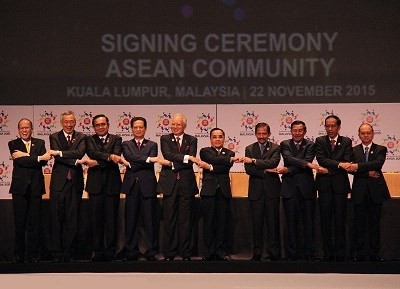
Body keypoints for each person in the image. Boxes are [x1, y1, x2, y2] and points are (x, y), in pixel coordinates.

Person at [157, 113, 200, 261]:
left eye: (178, 124)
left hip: (186, 183)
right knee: (169, 219)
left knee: (185, 220)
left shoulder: (192, 140)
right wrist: (186, 157)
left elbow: (191, 159)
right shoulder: (165, 139)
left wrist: (172, 164)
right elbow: (167, 154)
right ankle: (169, 253)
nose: (175, 127)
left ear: (184, 126)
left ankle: (186, 253)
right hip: (169, 184)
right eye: (173, 124)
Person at [8, 118, 52, 263]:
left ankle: (33, 255)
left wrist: (27, 155)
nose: (24, 130)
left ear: (32, 129)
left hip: (35, 188)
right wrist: (37, 157)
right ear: (18, 130)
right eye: (22, 128)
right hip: (19, 189)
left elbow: (45, 161)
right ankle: (19, 254)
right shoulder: (13, 144)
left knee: (34, 223)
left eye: (27, 128)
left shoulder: (40, 143)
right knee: (20, 223)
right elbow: (20, 161)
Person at [346, 123, 390, 262]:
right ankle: (359, 253)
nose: (366, 135)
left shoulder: (381, 149)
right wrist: (366, 173)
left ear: (373, 134)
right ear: (358, 135)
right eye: (363, 133)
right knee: (359, 224)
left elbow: (377, 164)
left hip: (376, 192)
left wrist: (358, 166)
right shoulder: (353, 150)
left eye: (368, 133)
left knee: (374, 224)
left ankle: (374, 253)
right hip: (359, 192)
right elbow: (349, 168)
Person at [120, 117, 159, 261]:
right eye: (135, 127)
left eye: (141, 127)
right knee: (131, 220)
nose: (138, 129)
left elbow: (148, 160)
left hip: (148, 186)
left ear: (145, 128)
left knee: (150, 221)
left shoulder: (153, 144)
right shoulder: (126, 144)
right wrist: (146, 159)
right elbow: (129, 156)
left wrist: (131, 164)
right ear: (131, 129)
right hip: (131, 186)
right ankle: (131, 251)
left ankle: (151, 251)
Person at [48, 110, 86, 263]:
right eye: (66, 122)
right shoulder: (54, 136)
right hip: (58, 183)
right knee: (56, 220)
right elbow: (58, 156)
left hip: (75, 183)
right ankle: (56, 253)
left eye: (71, 121)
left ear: (75, 122)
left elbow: (80, 152)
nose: (69, 124)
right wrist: (75, 160)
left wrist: (62, 153)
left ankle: (69, 253)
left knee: (72, 220)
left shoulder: (82, 137)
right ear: (61, 123)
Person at [314, 115, 353, 262]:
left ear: (338, 127)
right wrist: (338, 165)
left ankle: (341, 254)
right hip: (324, 186)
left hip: (340, 186)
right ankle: (327, 254)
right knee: (325, 221)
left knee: (340, 220)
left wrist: (330, 169)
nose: (330, 129)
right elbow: (321, 159)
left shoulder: (346, 141)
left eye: (333, 126)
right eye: (327, 126)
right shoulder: (320, 141)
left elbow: (347, 161)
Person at [279, 120, 319, 261]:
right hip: (289, 189)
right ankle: (292, 254)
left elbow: (298, 163)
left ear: (305, 131)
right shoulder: (284, 144)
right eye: (294, 130)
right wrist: (306, 164)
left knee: (309, 223)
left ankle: (309, 253)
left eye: (300, 130)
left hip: (307, 188)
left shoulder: (311, 145)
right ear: (291, 131)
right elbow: (288, 158)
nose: (297, 133)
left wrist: (289, 169)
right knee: (290, 223)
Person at [197, 128, 239, 261]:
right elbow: (211, 159)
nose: (217, 139)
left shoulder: (230, 152)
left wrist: (210, 167)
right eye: (214, 137)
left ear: (224, 138)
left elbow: (225, 167)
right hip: (209, 191)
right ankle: (209, 251)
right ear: (210, 139)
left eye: (220, 136)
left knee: (222, 222)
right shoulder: (205, 151)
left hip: (224, 191)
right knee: (208, 222)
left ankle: (221, 251)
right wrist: (226, 160)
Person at [85, 114, 122, 262]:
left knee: (112, 221)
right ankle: (98, 251)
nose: (101, 127)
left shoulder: (116, 139)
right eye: (97, 125)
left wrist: (97, 162)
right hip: (95, 186)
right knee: (96, 221)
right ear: (94, 127)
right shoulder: (89, 139)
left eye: (103, 124)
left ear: (108, 125)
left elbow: (117, 156)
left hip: (112, 185)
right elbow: (91, 153)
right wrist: (108, 157)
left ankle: (111, 251)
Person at [243, 122, 281, 261]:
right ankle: (257, 252)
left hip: (272, 190)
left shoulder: (276, 148)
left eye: (264, 133)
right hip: (256, 191)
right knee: (256, 224)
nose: (261, 136)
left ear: (269, 134)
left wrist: (254, 161)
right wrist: (265, 170)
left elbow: (274, 163)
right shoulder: (249, 148)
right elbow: (248, 170)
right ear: (255, 134)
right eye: (259, 133)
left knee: (273, 223)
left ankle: (274, 252)